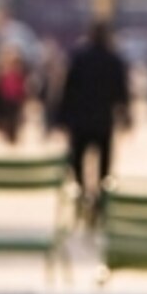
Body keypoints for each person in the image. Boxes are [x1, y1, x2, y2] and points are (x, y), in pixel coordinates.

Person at [54, 21, 132, 220]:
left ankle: (81, 193)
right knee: (104, 161)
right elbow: (121, 92)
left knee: (77, 159)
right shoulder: (113, 59)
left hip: (80, 120)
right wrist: (125, 115)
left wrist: (61, 118)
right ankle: (100, 199)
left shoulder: (79, 57)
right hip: (103, 120)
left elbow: (67, 90)